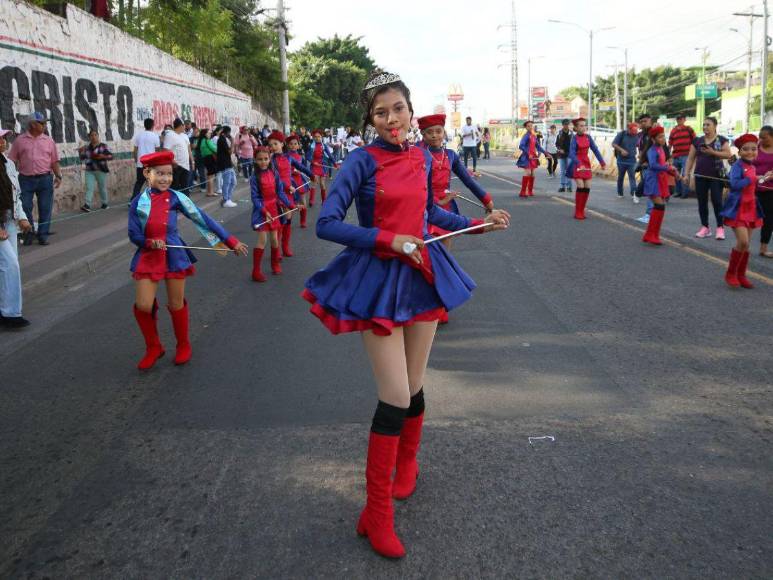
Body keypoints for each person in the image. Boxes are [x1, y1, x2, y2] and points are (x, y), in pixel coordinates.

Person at [302, 71, 509, 560]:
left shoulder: (421, 156)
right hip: (376, 277)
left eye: (398, 108)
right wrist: (387, 239)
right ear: (370, 120)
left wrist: (479, 226)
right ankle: (376, 513)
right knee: (393, 395)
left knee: (414, 387)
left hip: (422, 274)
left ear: (411, 111)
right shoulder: (360, 160)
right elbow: (327, 224)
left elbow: (430, 217)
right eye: (380, 112)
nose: (391, 119)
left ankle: (408, 463)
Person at [128, 150, 248, 370]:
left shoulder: (176, 197)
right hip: (149, 254)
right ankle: (154, 347)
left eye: (168, 174)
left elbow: (204, 219)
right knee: (143, 305)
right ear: (147, 173)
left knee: (176, 303)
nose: (165, 179)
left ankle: (183, 344)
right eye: (160, 174)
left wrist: (230, 241)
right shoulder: (138, 202)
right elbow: (133, 234)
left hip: (174, 253)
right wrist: (148, 242)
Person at [721, 133, 768, 288]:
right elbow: (734, 184)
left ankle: (741, 275)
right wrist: (752, 179)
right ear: (739, 151)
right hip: (738, 208)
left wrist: (763, 177)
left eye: (754, 149)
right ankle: (730, 273)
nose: (750, 152)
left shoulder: (753, 167)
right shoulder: (737, 166)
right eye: (746, 149)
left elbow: (753, 182)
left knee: (746, 245)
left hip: (751, 207)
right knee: (743, 241)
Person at [8, 112, 62, 246]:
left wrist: (58, 175)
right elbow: (11, 160)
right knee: (25, 206)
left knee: (45, 208)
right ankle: (29, 232)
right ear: (32, 124)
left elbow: (54, 161)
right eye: (42, 123)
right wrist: (10, 178)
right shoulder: (19, 141)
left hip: (45, 178)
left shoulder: (49, 141)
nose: (44, 125)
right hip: (25, 180)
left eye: (44, 123)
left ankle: (43, 235)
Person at [0, 129, 33, 329]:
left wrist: (22, 218)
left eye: (4, 138)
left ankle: (5, 310)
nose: (3, 141)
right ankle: (11, 313)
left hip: (9, 220)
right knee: (10, 265)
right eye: (0, 138)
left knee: (6, 267)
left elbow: (16, 194)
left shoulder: (8, 163)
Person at [250, 146, 295, 281]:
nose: (263, 162)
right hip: (261, 210)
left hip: (274, 209)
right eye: (260, 159)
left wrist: (290, 205)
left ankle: (274, 264)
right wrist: (264, 211)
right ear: (255, 160)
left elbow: (280, 192)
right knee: (262, 240)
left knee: (275, 239)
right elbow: (255, 198)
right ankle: (256, 271)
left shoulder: (274, 173)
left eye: (266, 159)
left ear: (270, 159)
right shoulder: (254, 177)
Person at [682, 116, 732, 239]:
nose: (705, 127)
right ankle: (705, 227)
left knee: (717, 201)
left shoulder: (721, 140)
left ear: (715, 126)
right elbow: (690, 158)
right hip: (700, 176)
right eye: (704, 125)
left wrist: (713, 152)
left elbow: (728, 155)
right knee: (702, 202)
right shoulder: (697, 141)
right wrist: (686, 174)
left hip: (716, 176)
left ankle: (720, 228)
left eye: (708, 125)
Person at [266, 130, 311, 257]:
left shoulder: (288, 157)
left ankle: (285, 246)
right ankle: (277, 248)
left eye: (275, 144)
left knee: (288, 219)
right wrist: (287, 186)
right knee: (280, 220)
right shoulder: (271, 161)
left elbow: (301, 167)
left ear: (281, 144)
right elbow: (276, 177)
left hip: (289, 193)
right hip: (277, 193)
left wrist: (311, 175)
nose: (272, 147)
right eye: (270, 145)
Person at [641, 126, 676, 245]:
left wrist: (673, 172)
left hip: (660, 179)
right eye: (660, 137)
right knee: (659, 206)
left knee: (659, 207)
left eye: (663, 136)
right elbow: (653, 165)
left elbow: (662, 165)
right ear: (653, 139)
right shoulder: (652, 150)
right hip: (653, 180)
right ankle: (652, 235)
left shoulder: (661, 149)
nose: (663, 139)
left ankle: (650, 234)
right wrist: (668, 167)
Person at [567, 117, 606, 220]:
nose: (583, 128)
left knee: (587, 186)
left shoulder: (588, 137)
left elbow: (595, 150)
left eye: (584, 125)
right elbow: (571, 153)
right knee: (580, 185)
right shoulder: (574, 138)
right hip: (577, 163)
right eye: (581, 126)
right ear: (576, 127)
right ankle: (577, 211)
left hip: (586, 163)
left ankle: (582, 210)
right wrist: (579, 163)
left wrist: (602, 162)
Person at [78, 130, 113, 212]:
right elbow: (82, 158)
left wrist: (103, 156)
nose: (93, 137)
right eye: (91, 135)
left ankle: (104, 203)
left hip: (101, 170)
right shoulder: (86, 147)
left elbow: (111, 156)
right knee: (89, 187)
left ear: (98, 136)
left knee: (102, 187)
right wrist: (80, 152)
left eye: (95, 135)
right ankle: (87, 205)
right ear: (89, 137)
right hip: (89, 170)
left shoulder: (103, 146)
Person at [516, 121, 551, 198]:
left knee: (532, 174)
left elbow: (538, 147)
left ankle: (530, 191)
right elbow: (521, 146)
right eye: (528, 126)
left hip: (533, 157)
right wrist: (529, 153)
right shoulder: (526, 136)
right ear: (526, 127)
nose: (530, 127)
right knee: (528, 173)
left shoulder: (533, 136)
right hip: (526, 157)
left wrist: (545, 153)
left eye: (531, 126)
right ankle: (522, 192)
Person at [753, 125, 773, 258]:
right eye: (760, 137)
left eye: (764, 137)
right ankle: (743, 245)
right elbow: (747, 162)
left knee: (769, 219)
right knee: (752, 217)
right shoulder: (756, 147)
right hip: (754, 186)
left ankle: (763, 248)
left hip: (770, 189)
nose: (761, 139)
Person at [286, 133, 312, 228]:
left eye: (295, 143)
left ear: (298, 145)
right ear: (288, 145)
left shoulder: (300, 157)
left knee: (303, 201)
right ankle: (288, 222)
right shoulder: (286, 156)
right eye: (291, 144)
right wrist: (292, 170)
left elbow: (303, 168)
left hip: (299, 181)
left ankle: (303, 221)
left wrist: (303, 171)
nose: (293, 145)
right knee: (290, 203)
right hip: (289, 182)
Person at [306, 129, 336, 205]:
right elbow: (307, 156)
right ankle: (311, 200)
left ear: (321, 137)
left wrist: (335, 164)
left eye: (319, 136)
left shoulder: (324, 145)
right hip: (314, 166)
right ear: (313, 137)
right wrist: (313, 162)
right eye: (315, 137)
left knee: (322, 184)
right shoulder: (311, 146)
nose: (317, 138)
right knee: (314, 183)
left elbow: (330, 155)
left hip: (322, 166)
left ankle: (324, 200)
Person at [132, 118, 161, 200]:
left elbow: (135, 150)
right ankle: (153, 199)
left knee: (139, 183)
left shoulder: (138, 135)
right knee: (152, 182)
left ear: (144, 125)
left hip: (140, 164)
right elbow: (158, 151)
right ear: (152, 125)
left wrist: (136, 161)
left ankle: (133, 200)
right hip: (151, 164)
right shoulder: (155, 136)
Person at [668, 114, 695, 198]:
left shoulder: (689, 129)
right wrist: (668, 155)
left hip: (686, 155)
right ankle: (678, 192)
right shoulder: (673, 130)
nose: (679, 120)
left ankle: (685, 193)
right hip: (675, 155)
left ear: (684, 119)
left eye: (681, 118)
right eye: (678, 119)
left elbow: (695, 140)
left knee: (685, 173)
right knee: (676, 174)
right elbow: (670, 143)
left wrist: (694, 153)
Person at [164, 119, 194, 191]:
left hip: (186, 166)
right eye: (184, 125)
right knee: (175, 187)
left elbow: (189, 149)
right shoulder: (170, 135)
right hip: (176, 167)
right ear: (180, 126)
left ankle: (185, 202)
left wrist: (192, 161)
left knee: (185, 187)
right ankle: (175, 202)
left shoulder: (185, 136)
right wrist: (173, 161)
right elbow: (166, 150)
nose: (185, 127)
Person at [612, 122, 639, 199]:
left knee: (632, 177)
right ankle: (620, 193)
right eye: (633, 131)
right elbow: (614, 144)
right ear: (628, 129)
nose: (634, 134)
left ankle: (633, 193)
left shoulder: (636, 135)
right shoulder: (622, 134)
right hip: (621, 161)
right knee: (621, 177)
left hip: (632, 160)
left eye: (635, 132)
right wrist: (621, 150)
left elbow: (639, 145)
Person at [217, 126, 237, 207]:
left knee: (233, 182)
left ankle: (228, 198)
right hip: (225, 164)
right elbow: (230, 151)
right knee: (227, 182)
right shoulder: (221, 139)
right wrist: (232, 141)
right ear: (227, 132)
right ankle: (226, 200)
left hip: (228, 163)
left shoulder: (223, 139)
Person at [196, 129, 218, 197]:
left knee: (209, 175)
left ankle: (209, 191)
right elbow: (214, 148)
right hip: (210, 158)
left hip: (205, 158)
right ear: (205, 134)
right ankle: (211, 192)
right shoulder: (207, 140)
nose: (210, 134)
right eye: (209, 133)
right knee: (211, 176)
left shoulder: (201, 141)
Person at [555, 119, 573, 193]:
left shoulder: (572, 134)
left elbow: (574, 144)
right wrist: (559, 149)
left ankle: (569, 187)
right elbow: (556, 144)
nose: (566, 125)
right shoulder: (559, 133)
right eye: (565, 124)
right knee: (562, 171)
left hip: (570, 154)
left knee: (569, 170)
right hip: (562, 155)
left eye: (567, 124)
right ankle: (562, 186)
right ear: (563, 125)